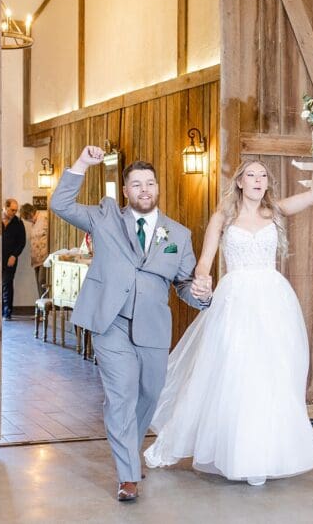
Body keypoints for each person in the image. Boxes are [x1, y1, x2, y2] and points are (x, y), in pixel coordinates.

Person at [143, 131, 313, 487]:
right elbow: (204, 262)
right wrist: (202, 280)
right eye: (252, 175)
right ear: (240, 182)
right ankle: (219, 448)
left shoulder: (274, 212)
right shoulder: (222, 218)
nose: (258, 180)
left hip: (273, 300)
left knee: (271, 373)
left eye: (263, 176)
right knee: (232, 371)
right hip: (236, 301)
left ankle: (263, 454)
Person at [50, 147, 211, 503]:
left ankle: (130, 452)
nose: (144, 190)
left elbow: (185, 284)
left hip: (153, 327)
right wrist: (81, 164)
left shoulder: (178, 235)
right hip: (111, 323)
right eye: (136, 184)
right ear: (125, 191)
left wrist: (202, 295)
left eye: (149, 183)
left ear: (157, 188)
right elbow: (60, 204)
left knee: (149, 394)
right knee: (121, 395)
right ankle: (128, 476)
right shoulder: (104, 217)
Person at [1, 198, 26, 321]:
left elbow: (22, 242)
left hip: (10, 259)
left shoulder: (18, 223)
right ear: (5, 207)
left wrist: (14, 255)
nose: (14, 213)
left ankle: (7, 312)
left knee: (7, 284)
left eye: (16, 210)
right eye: (12, 210)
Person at [20, 203, 49, 291]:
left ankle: (45, 299)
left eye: (26, 218)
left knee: (42, 281)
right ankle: (41, 299)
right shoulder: (34, 223)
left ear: (30, 214)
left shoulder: (44, 218)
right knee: (38, 283)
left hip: (44, 257)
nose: (28, 221)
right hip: (36, 259)